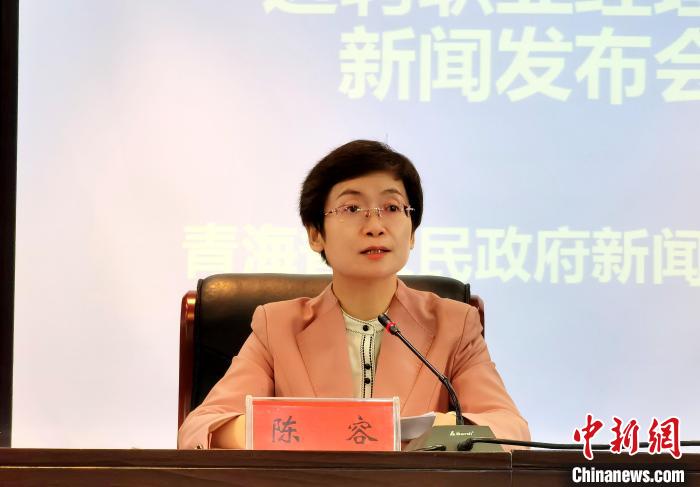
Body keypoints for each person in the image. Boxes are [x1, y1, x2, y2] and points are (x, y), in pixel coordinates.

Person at [178, 140, 530, 449]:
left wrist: (446, 432)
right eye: (351, 208)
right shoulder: (277, 326)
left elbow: (510, 430)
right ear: (316, 234)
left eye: (392, 208)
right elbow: (200, 429)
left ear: (411, 234)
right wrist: (292, 430)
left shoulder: (455, 324)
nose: (375, 225)